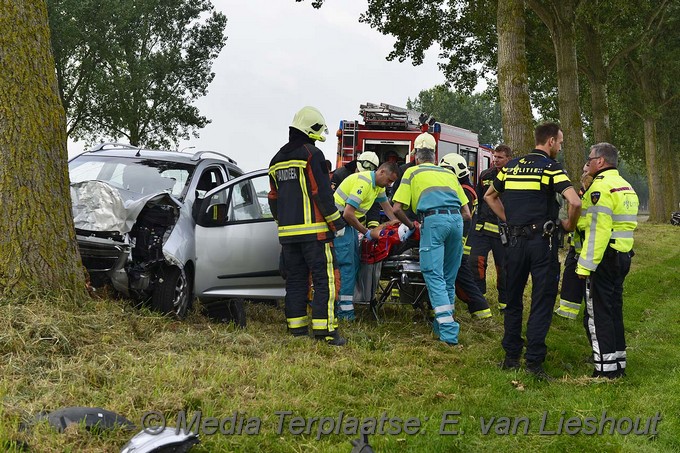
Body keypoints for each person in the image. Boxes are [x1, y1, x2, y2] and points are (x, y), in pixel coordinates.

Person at [484, 123, 581, 379]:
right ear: (550, 141)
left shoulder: (511, 166)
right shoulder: (551, 167)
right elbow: (574, 200)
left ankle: (510, 357)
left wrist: (509, 219)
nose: (560, 147)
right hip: (543, 242)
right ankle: (534, 363)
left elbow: (489, 196)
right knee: (542, 301)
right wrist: (569, 225)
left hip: (513, 244)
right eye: (559, 142)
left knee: (513, 299)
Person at [268, 106, 347, 346]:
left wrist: (283, 224)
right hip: (316, 234)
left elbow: (273, 198)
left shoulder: (276, 160)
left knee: (296, 281)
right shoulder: (312, 154)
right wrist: (337, 222)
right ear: (311, 130)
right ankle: (326, 331)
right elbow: (321, 192)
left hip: (288, 236)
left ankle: (297, 328)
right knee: (325, 280)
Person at [392, 146, 471, 346]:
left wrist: (411, 225)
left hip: (433, 221)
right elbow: (468, 213)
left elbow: (397, 208)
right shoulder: (448, 173)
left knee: (433, 274)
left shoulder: (412, 172)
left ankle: (448, 333)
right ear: (434, 160)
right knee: (448, 277)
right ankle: (441, 322)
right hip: (457, 221)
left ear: (417, 160)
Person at [576, 143, 638, 379]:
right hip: (622, 255)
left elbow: (597, 232)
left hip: (604, 259)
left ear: (600, 161)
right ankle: (617, 362)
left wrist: (585, 266)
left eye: (590, 158)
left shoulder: (600, 188)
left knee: (598, 314)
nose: (588, 163)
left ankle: (605, 371)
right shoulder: (625, 186)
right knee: (613, 311)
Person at [333, 162, 399, 319]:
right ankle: (344, 312)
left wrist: (399, 224)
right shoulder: (365, 182)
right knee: (347, 267)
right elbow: (348, 214)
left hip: (346, 226)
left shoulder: (378, 186)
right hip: (339, 225)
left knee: (354, 264)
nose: (389, 185)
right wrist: (367, 233)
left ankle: (343, 308)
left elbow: (387, 207)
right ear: (381, 172)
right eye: (389, 180)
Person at [439, 153, 492, 320]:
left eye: (446, 170)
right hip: (458, 240)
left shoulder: (464, 191)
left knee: (462, 277)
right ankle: (480, 310)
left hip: (457, 241)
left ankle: (480, 309)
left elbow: (465, 217)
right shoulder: (465, 188)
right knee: (459, 277)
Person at [468, 144, 511, 310]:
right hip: (482, 229)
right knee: (475, 262)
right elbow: (477, 200)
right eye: (494, 157)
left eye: (500, 157)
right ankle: (480, 298)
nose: (495, 160)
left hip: (504, 230)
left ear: (508, 158)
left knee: (504, 267)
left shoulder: (514, 177)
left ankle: (505, 303)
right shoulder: (485, 175)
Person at [554, 164, 593, 320]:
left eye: (585, 172)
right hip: (577, 245)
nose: (582, 175)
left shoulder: (594, 193)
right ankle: (567, 312)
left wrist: (569, 224)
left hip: (587, 246)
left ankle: (588, 314)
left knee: (586, 282)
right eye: (582, 171)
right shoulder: (583, 192)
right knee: (571, 277)